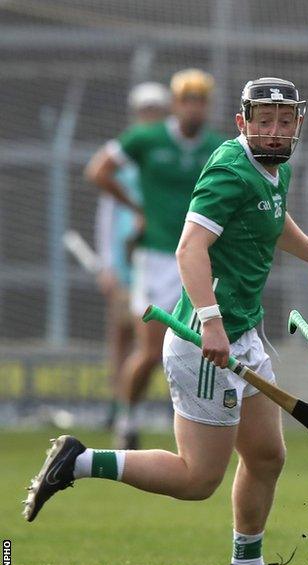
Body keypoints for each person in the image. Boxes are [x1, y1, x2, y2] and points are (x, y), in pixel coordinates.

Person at [26, 77, 308, 565]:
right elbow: (189, 248)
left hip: (244, 333)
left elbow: (272, 220)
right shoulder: (231, 170)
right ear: (242, 122)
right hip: (203, 340)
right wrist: (210, 323)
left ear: (297, 124)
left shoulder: (275, 169)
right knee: (197, 478)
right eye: (264, 121)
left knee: (267, 456)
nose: (275, 131)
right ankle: (76, 460)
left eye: (285, 121)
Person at [85, 68, 224, 449]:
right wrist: (136, 208)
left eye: (201, 101)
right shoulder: (146, 139)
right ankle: (126, 419)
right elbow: (98, 170)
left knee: (201, 348)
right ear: (175, 104)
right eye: (187, 101)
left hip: (199, 260)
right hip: (156, 259)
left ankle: (196, 425)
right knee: (149, 350)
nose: (194, 109)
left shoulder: (217, 146)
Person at [86, 81, 171, 430]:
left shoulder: (159, 157)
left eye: (155, 111)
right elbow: (107, 215)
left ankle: (154, 405)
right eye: (144, 111)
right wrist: (107, 263)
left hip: (155, 260)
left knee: (157, 340)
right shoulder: (124, 154)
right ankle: (119, 403)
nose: (149, 117)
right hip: (125, 265)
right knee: (122, 336)